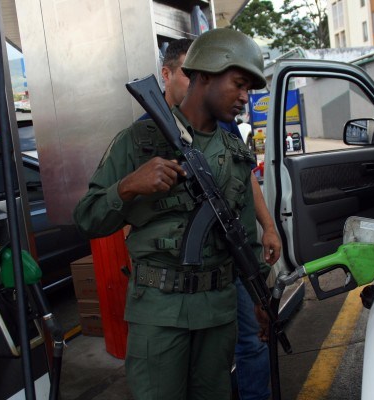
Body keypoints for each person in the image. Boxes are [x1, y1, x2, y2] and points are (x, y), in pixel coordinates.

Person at [73, 29, 272, 400]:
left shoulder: (235, 151)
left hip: (217, 314)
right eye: (239, 84)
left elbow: (243, 236)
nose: (246, 97)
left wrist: (261, 295)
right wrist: (128, 186)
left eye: (250, 88)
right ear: (207, 74)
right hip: (159, 315)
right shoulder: (138, 141)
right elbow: (86, 218)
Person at [159, 38, 280, 400]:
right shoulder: (149, 131)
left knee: (252, 342)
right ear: (170, 76)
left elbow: (246, 178)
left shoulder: (222, 125)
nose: (242, 96)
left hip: (231, 256)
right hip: (181, 273)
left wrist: (269, 226)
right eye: (187, 72)